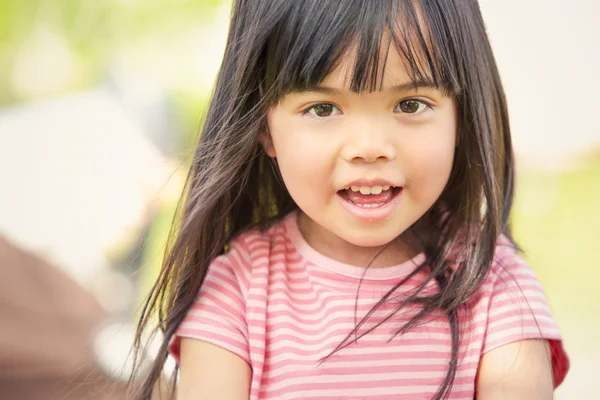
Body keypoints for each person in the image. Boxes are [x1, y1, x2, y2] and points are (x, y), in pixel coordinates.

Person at [131, 1, 569, 399]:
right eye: (323, 108)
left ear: (462, 113)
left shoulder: (494, 283)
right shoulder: (238, 291)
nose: (369, 147)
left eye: (411, 104)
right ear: (264, 126)